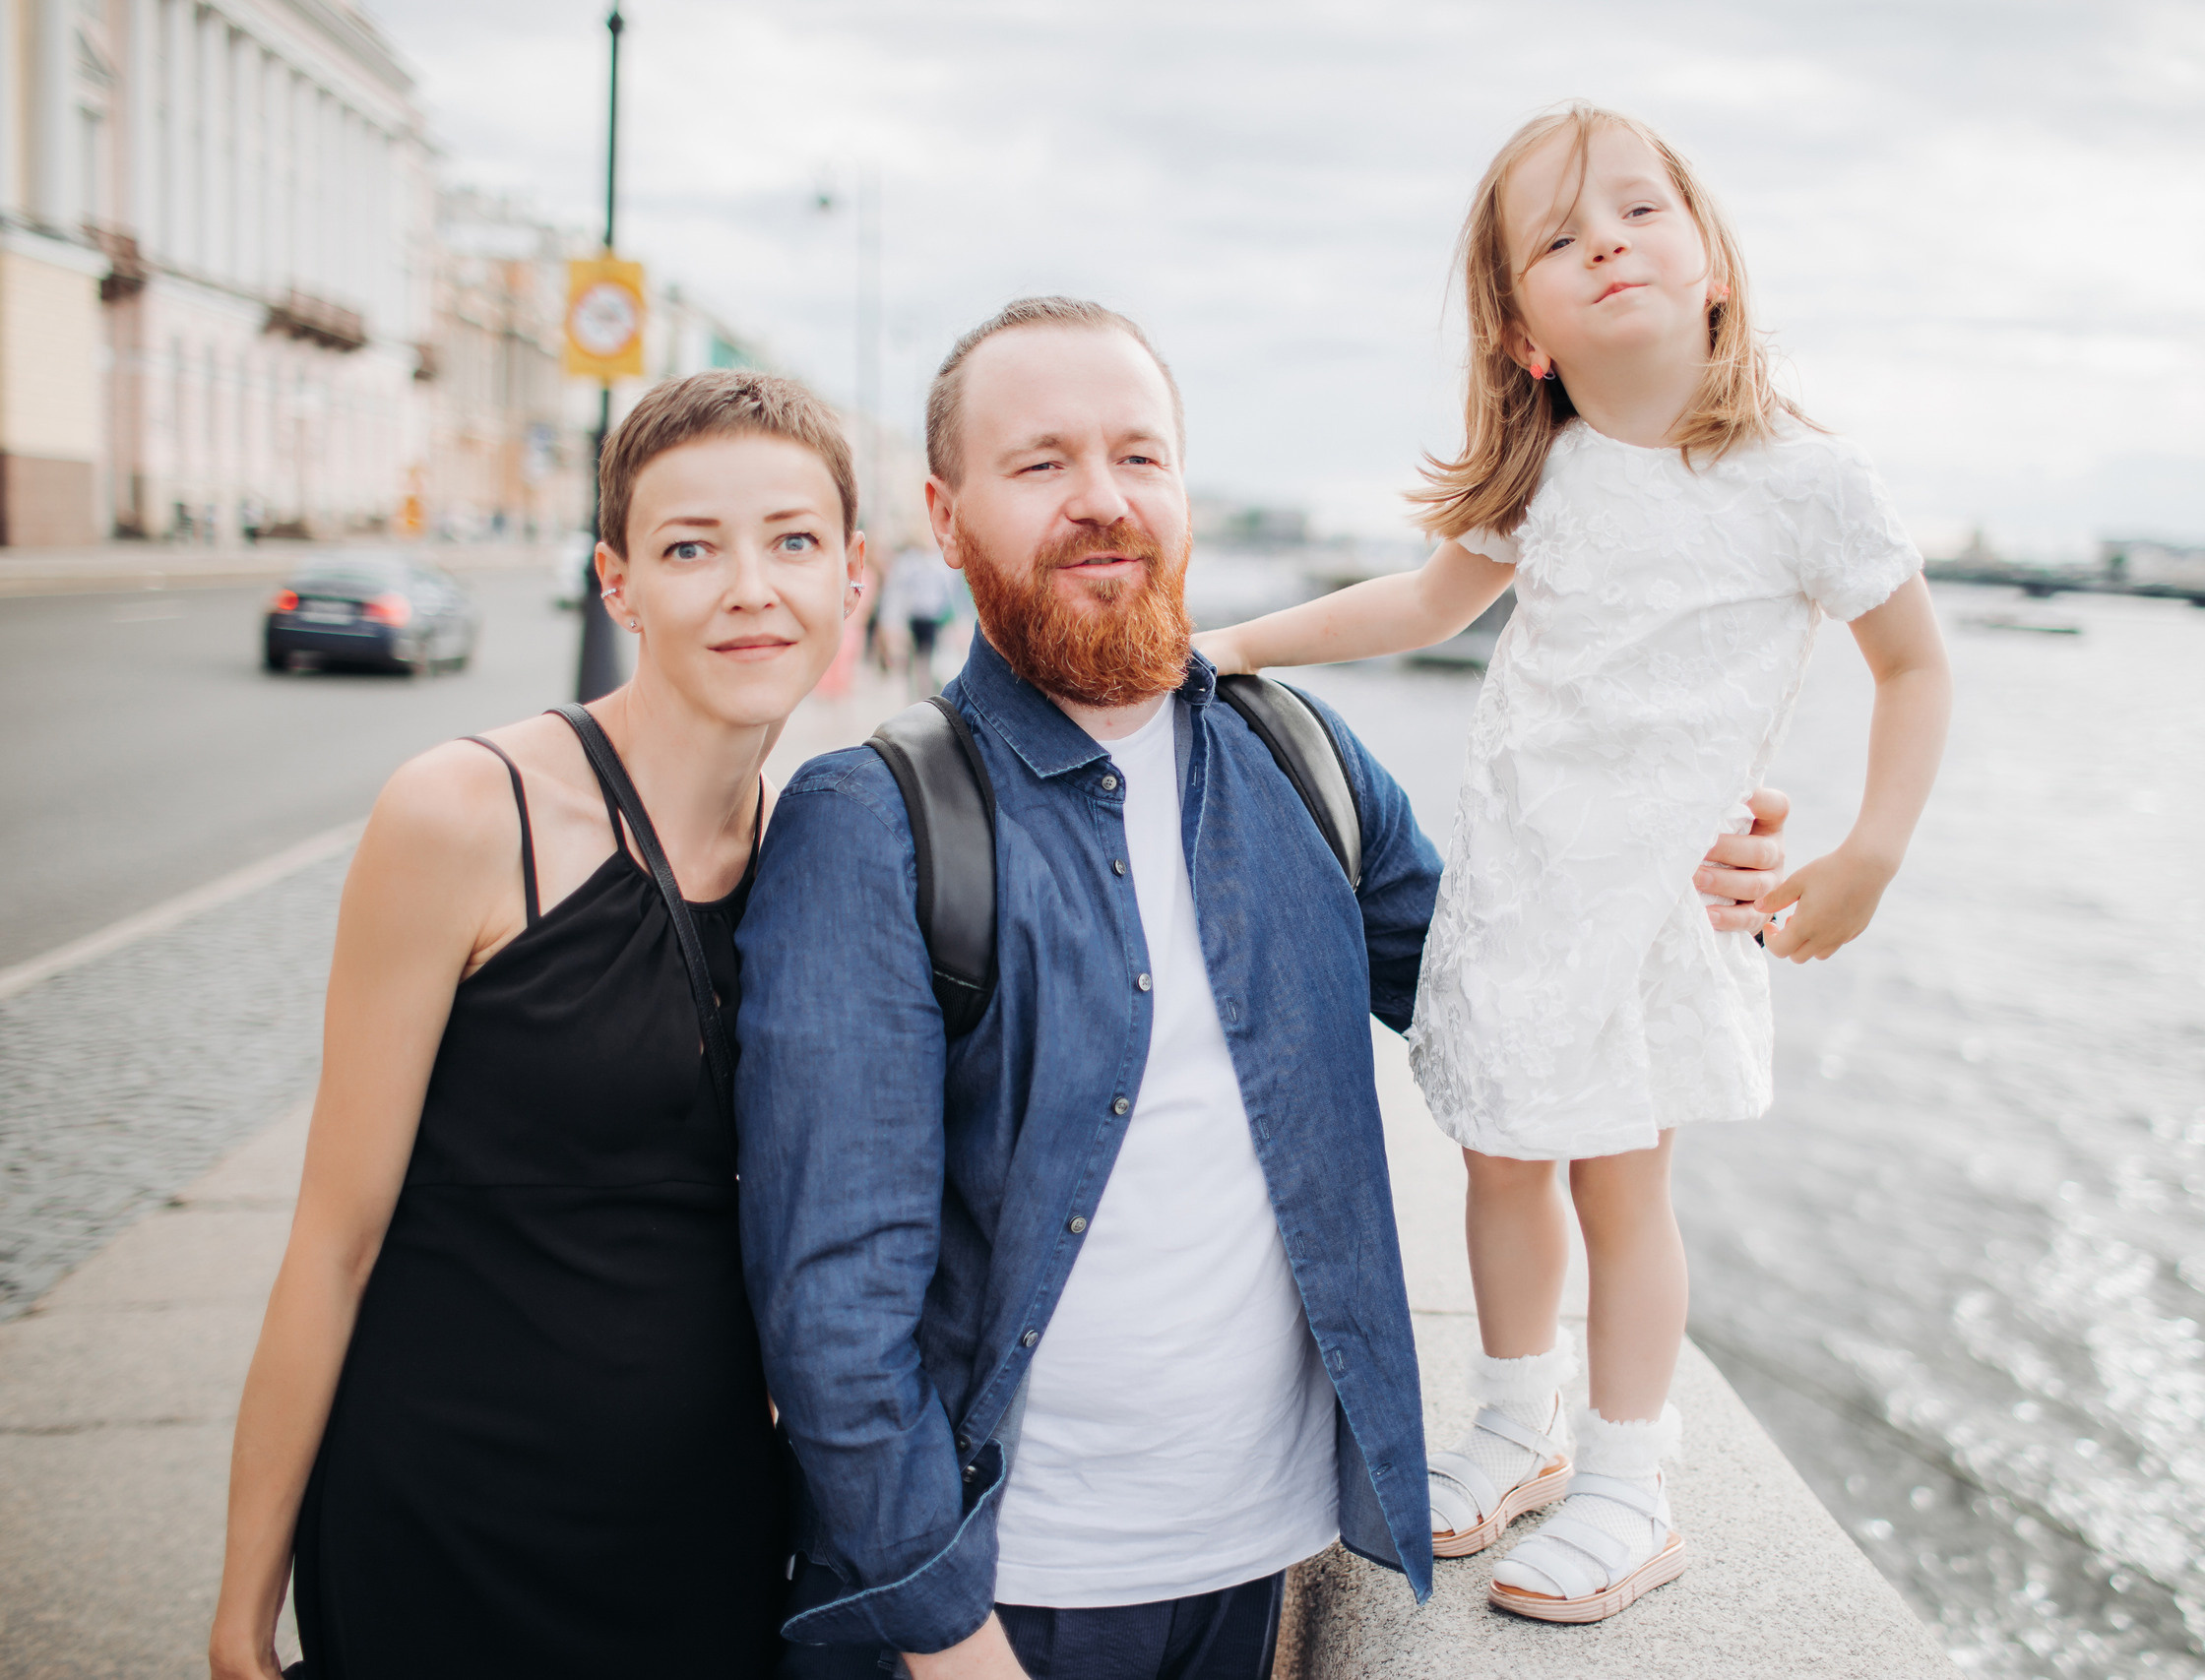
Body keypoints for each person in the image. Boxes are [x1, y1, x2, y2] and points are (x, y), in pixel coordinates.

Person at [734, 296, 1790, 1680]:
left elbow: (1516, 995)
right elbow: (830, 1297)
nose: (1103, 499)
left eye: (1140, 456)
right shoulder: (872, 819)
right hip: (1002, 1594)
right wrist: (941, 1626)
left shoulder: (1295, 754)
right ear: (948, 511)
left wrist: (1697, 878)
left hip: (1255, 1556)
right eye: (1042, 462)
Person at [1194, 104, 1954, 1624]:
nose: (1605, 239)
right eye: (1557, 235)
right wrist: (1228, 646)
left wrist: (1870, 848)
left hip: (1656, 904)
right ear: (1521, 328)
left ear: (1714, 263)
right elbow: (1418, 603)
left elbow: (1915, 667)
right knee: (1498, 1158)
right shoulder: (1547, 476)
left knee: (1623, 1179)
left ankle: (1627, 1476)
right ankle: (1515, 1419)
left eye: (1638, 211)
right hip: (1522, 889)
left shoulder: (1806, 477)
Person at [207, 371, 868, 1680]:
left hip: (705, 1535)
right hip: (450, 1520)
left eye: (792, 540)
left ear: (855, 574)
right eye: (691, 547)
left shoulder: (818, 844)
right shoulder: (464, 813)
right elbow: (334, 1241)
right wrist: (242, 1606)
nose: (750, 585)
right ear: (617, 584)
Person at [882, 542, 957, 698]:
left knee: (930, 661)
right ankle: (917, 695)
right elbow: (898, 593)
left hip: (933, 619)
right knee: (914, 661)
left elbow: (949, 594)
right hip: (914, 617)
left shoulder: (942, 564)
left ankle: (927, 694)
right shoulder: (909, 562)